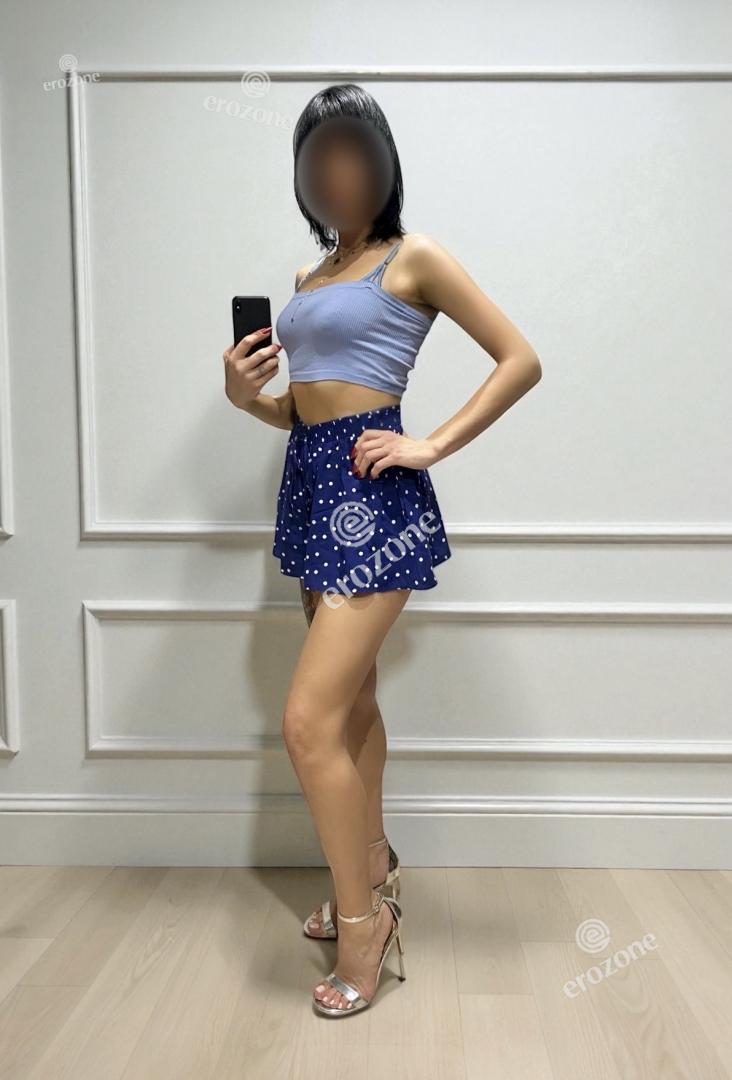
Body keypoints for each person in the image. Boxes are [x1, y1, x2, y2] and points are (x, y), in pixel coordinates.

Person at [222, 83, 542, 1018]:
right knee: (353, 705)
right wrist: (247, 397)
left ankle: (365, 928)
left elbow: (520, 358)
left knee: (306, 722)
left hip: (372, 499)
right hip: (311, 487)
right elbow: (305, 408)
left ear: (383, 163)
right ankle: (369, 870)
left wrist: (429, 444)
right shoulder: (310, 274)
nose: (336, 173)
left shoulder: (416, 256)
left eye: (352, 154)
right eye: (318, 159)